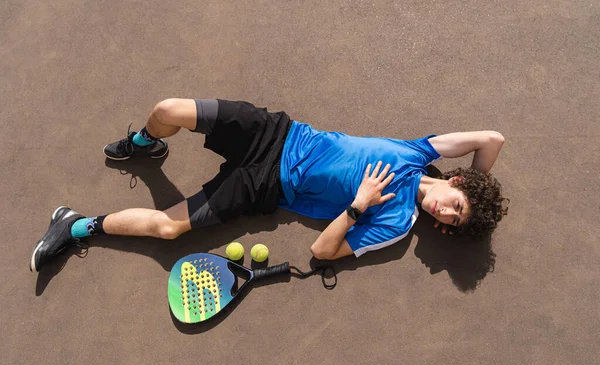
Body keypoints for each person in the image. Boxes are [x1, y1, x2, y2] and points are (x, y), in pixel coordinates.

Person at [30, 99, 508, 272]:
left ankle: (75, 227)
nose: (447, 213)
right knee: (168, 109)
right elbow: (493, 138)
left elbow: (322, 253)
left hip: (263, 186)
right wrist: (480, 189)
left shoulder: (398, 223)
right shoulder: (419, 151)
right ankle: (145, 143)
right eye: (459, 204)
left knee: (168, 230)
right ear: (461, 180)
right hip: (277, 132)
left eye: (453, 221)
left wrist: (359, 206)